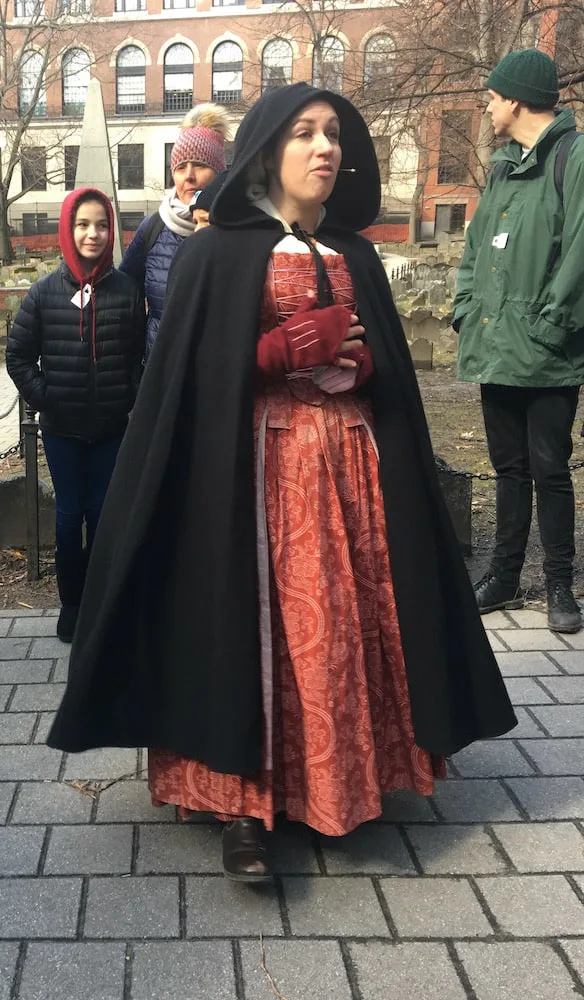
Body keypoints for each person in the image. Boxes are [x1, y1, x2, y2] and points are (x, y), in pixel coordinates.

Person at [48, 84, 516, 880]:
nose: (326, 148)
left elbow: (387, 374)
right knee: (247, 625)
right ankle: (243, 803)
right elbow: (186, 377)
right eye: (305, 134)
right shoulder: (214, 253)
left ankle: (337, 781)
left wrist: (363, 362)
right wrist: (272, 353)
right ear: (268, 152)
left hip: (347, 470)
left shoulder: (356, 253)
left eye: (333, 134)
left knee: (336, 622)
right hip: (251, 473)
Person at [453, 49, 584, 634]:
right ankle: (503, 577)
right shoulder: (504, 167)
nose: (487, 104)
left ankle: (560, 584)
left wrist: (552, 325)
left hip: (549, 352)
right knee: (508, 469)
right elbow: (476, 247)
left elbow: (581, 250)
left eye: (492, 95)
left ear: (515, 99)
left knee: (549, 468)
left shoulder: (573, 158)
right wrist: (463, 310)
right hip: (496, 344)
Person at [7, 188, 145, 642]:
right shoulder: (44, 293)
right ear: (68, 228)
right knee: (69, 519)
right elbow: (19, 355)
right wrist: (46, 397)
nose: (93, 234)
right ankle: (72, 604)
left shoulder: (127, 292)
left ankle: (102, 603)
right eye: (83, 224)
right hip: (63, 431)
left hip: (109, 430)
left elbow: (139, 358)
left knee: (104, 516)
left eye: (102, 225)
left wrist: (127, 397)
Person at [120, 104, 229, 357]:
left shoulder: (238, 230)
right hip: (161, 367)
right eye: (181, 168)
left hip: (215, 370)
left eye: (200, 165)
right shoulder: (153, 228)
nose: (188, 176)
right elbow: (125, 294)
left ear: (219, 173)